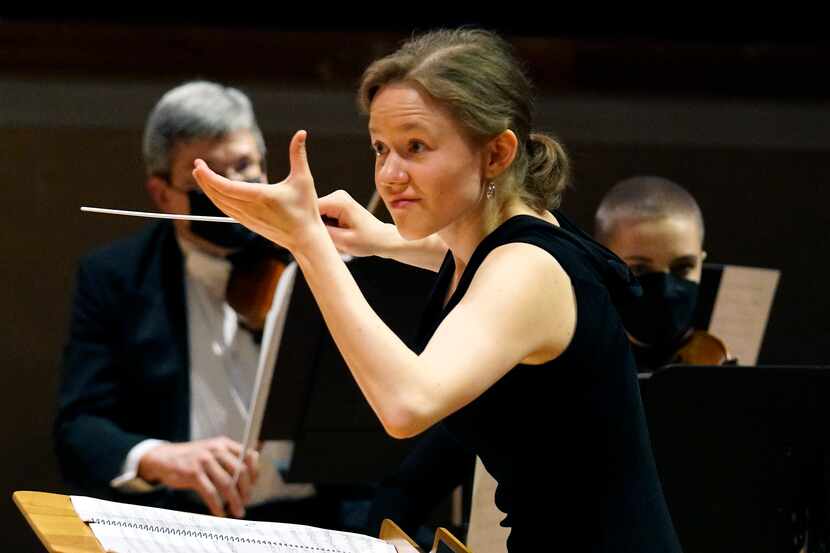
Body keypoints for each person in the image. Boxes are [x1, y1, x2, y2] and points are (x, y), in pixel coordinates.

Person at [192, 29, 681, 551]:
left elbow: (406, 405)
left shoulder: (528, 270)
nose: (390, 174)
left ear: (496, 154)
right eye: (381, 148)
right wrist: (376, 237)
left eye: (416, 147)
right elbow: (457, 255)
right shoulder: (510, 229)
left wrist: (309, 245)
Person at [54, 80, 347, 527]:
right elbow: (79, 426)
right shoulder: (116, 277)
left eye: (248, 166)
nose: (239, 192)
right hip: (185, 520)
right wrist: (159, 457)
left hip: (325, 519)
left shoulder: (321, 260)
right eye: (212, 177)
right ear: (162, 194)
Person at [595, 175, 731, 370]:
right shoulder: (583, 364)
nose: (666, 290)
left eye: (683, 268)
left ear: (701, 262)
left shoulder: (715, 362)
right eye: (639, 269)